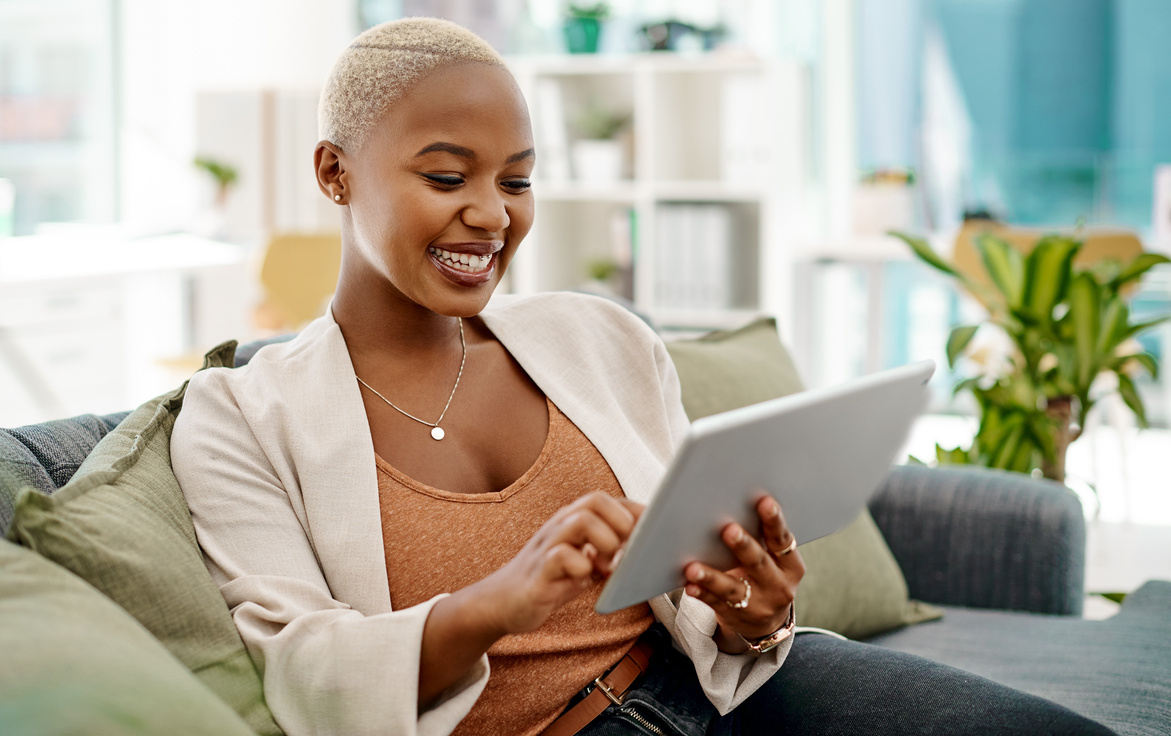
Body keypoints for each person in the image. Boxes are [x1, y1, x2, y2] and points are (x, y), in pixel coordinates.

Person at [171, 18, 1113, 736]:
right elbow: (296, 667)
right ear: (335, 173)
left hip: (732, 702)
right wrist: (498, 598)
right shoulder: (241, 416)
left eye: (517, 180)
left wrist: (752, 615)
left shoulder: (600, 341)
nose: (490, 216)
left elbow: (705, 612)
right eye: (447, 177)